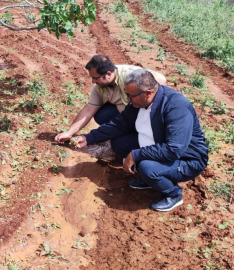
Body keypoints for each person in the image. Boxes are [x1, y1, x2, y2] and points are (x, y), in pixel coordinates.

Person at [72, 69, 209, 212]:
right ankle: (150, 179)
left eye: (130, 95)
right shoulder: (140, 101)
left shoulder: (176, 107)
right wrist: (88, 138)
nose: (128, 99)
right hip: (158, 142)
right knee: (119, 143)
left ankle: (173, 194)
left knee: (147, 167)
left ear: (148, 93)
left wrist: (137, 154)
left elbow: (174, 149)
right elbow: (120, 124)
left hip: (187, 159)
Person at [54, 55, 167, 143]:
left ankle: (141, 132)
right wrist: (69, 133)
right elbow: (88, 110)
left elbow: (160, 78)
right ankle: (126, 130)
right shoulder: (99, 87)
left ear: (108, 74)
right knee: (101, 115)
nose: (93, 82)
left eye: (95, 78)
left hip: (143, 112)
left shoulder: (128, 75)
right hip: (127, 114)